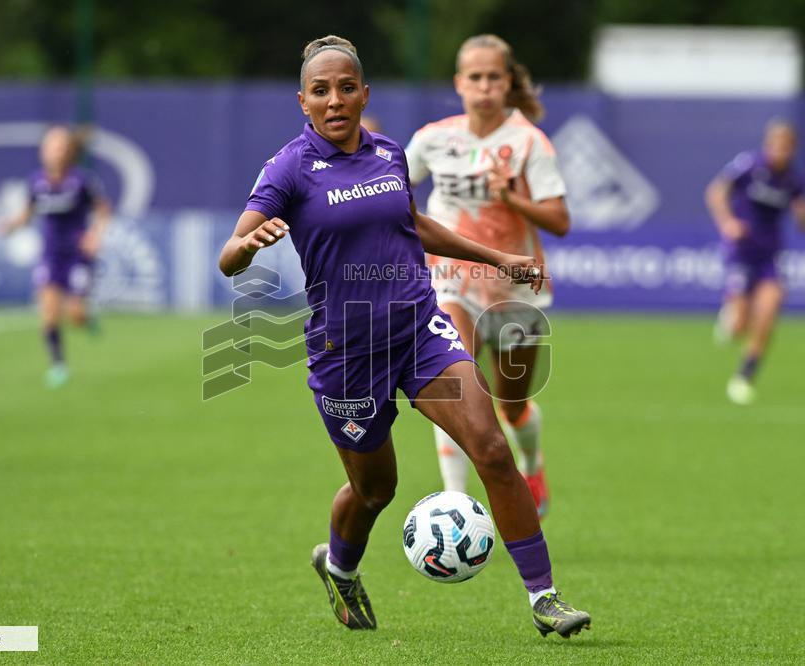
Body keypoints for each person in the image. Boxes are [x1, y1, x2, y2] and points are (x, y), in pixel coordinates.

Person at [218, 35, 590, 639]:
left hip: (419, 329)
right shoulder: (289, 167)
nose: (334, 99)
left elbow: (413, 224)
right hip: (347, 353)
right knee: (374, 490)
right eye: (321, 91)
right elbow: (228, 256)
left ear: (364, 93)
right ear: (303, 102)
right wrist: (247, 246)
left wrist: (496, 258)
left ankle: (545, 598)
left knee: (492, 450)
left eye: (346, 87)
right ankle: (338, 566)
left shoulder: (390, 152)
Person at [405, 34, 569, 518]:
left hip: (516, 289)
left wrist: (512, 195)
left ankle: (532, 463)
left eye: (493, 77)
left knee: (512, 404)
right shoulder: (434, 138)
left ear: (507, 81)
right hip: (452, 278)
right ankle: (454, 501)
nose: (483, 86)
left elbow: (560, 221)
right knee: (454, 383)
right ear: (459, 83)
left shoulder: (528, 143)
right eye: (474, 77)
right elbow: (393, 190)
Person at [705, 119, 805, 405]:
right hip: (742, 250)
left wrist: (804, 215)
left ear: (793, 149)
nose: (781, 152)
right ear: (768, 145)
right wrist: (727, 222)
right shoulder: (750, 165)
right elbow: (716, 191)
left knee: (768, 312)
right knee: (740, 323)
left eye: (787, 147)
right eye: (777, 146)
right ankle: (731, 321)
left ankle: (745, 376)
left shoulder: (795, 180)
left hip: (770, 254)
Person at [0, 125, 113, 388]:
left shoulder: (82, 181)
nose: (56, 151)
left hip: (77, 255)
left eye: (61, 146)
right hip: (51, 254)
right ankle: (58, 366)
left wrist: (95, 235)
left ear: (70, 151)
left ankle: (86, 317)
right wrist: (11, 225)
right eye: (51, 146)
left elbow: (103, 210)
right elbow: (28, 213)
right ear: (43, 151)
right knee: (49, 312)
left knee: (75, 315)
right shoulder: (36, 182)